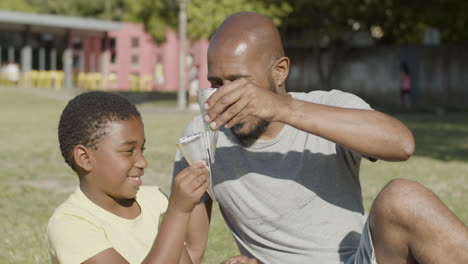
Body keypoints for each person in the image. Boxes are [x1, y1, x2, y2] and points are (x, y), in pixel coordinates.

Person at [173, 11, 468, 264]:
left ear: (280, 72)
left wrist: (282, 109)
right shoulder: (201, 137)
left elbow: (402, 144)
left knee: (404, 197)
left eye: (239, 83)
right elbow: (188, 249)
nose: (226, 96)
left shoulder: (330, 105)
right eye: (216, 84)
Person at [47, 91, 210, 264]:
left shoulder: (154, 199)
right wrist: (177, 212)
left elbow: (190, 256)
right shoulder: (69, 225)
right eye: (128, 151)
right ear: (85, 158)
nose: (142, 162)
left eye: (142, 149)